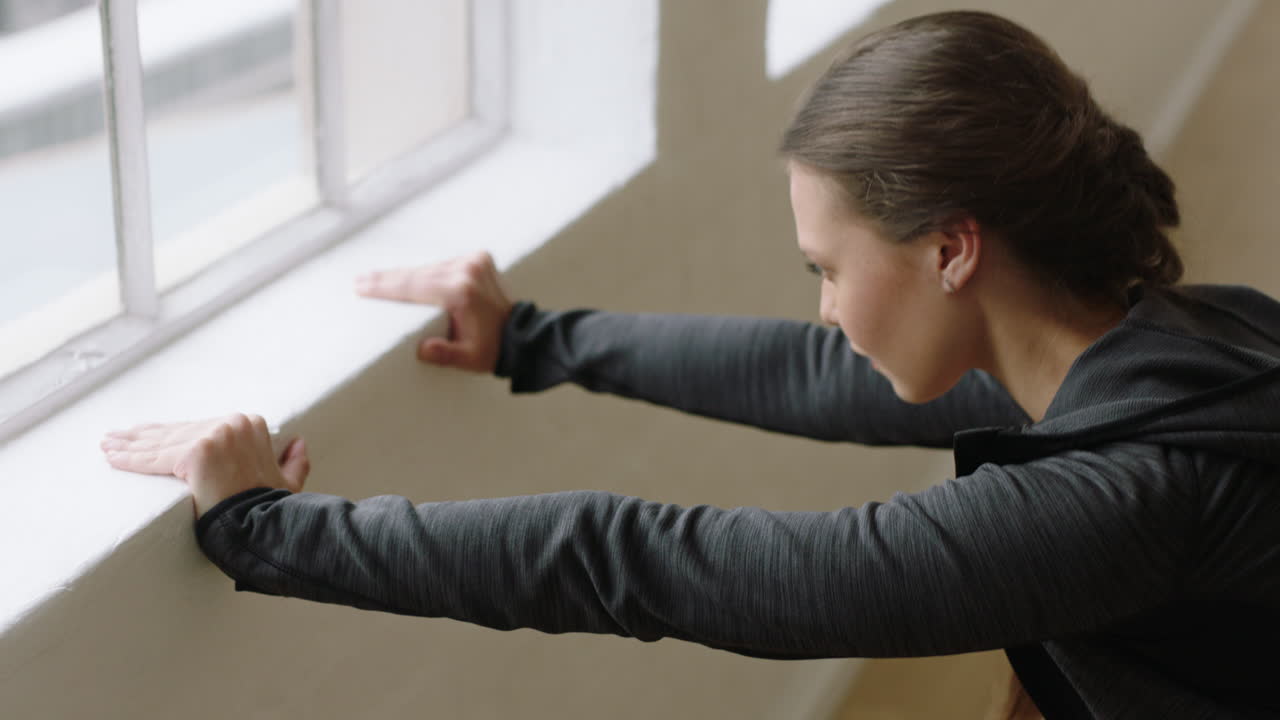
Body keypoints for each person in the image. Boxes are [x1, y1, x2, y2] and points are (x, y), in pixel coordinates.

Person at [100, 10, 1280, 719]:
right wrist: (532, 339)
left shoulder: (1123, 500)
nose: (821, 309)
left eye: (825, 266)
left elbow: (653, 566)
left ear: (950, 248)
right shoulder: (1184, 337)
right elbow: (818, 377)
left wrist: (264, 529)